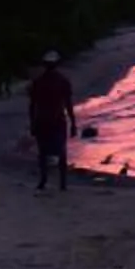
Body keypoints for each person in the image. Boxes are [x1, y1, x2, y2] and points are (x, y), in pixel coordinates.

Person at [27, 50, 76, 192]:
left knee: (43, 152)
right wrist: (73, 123)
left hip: (42, 120)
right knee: (61, 152)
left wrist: (32, 123)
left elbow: (32, 106)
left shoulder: (38, 82)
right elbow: (68, 104)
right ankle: (62, 183)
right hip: (57, 120)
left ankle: (44, 180)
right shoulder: (62, 81)